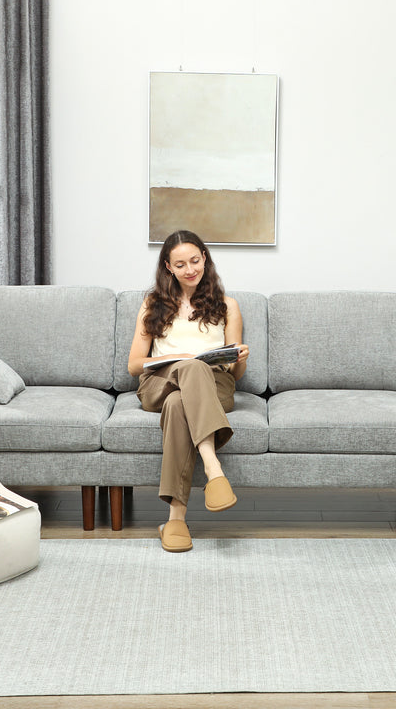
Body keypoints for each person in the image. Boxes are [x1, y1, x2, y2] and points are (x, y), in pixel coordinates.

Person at [127, 230, 249, 552]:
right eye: (180, 264)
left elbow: (235, 372)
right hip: (160, 381)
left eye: (195, 261)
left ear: (205, 259)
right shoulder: (153, 304)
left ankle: (175, 520)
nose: (190, 269)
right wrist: (170, 358)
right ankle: (213, 467)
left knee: (180, 402)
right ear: (168, 266)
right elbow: (134, 365)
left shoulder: (227, 306)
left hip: (213, 385)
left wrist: (240, 359)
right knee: (189, 368)